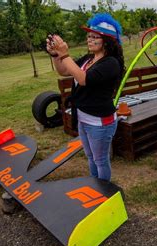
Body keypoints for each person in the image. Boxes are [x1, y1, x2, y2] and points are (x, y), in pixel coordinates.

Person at [47, 13, 125, 182]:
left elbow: (83, 79)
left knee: (100, 160)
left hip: (100, 122)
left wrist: (65, 54)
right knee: (90, 157)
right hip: (83, 118)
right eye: (88, 36)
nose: (89, 39)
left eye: (94, 37)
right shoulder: (89, 58)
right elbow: (64, 71)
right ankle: (95, 187)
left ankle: (104, 194)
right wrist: (56, 55)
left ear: (107, 40)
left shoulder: (111, 63)